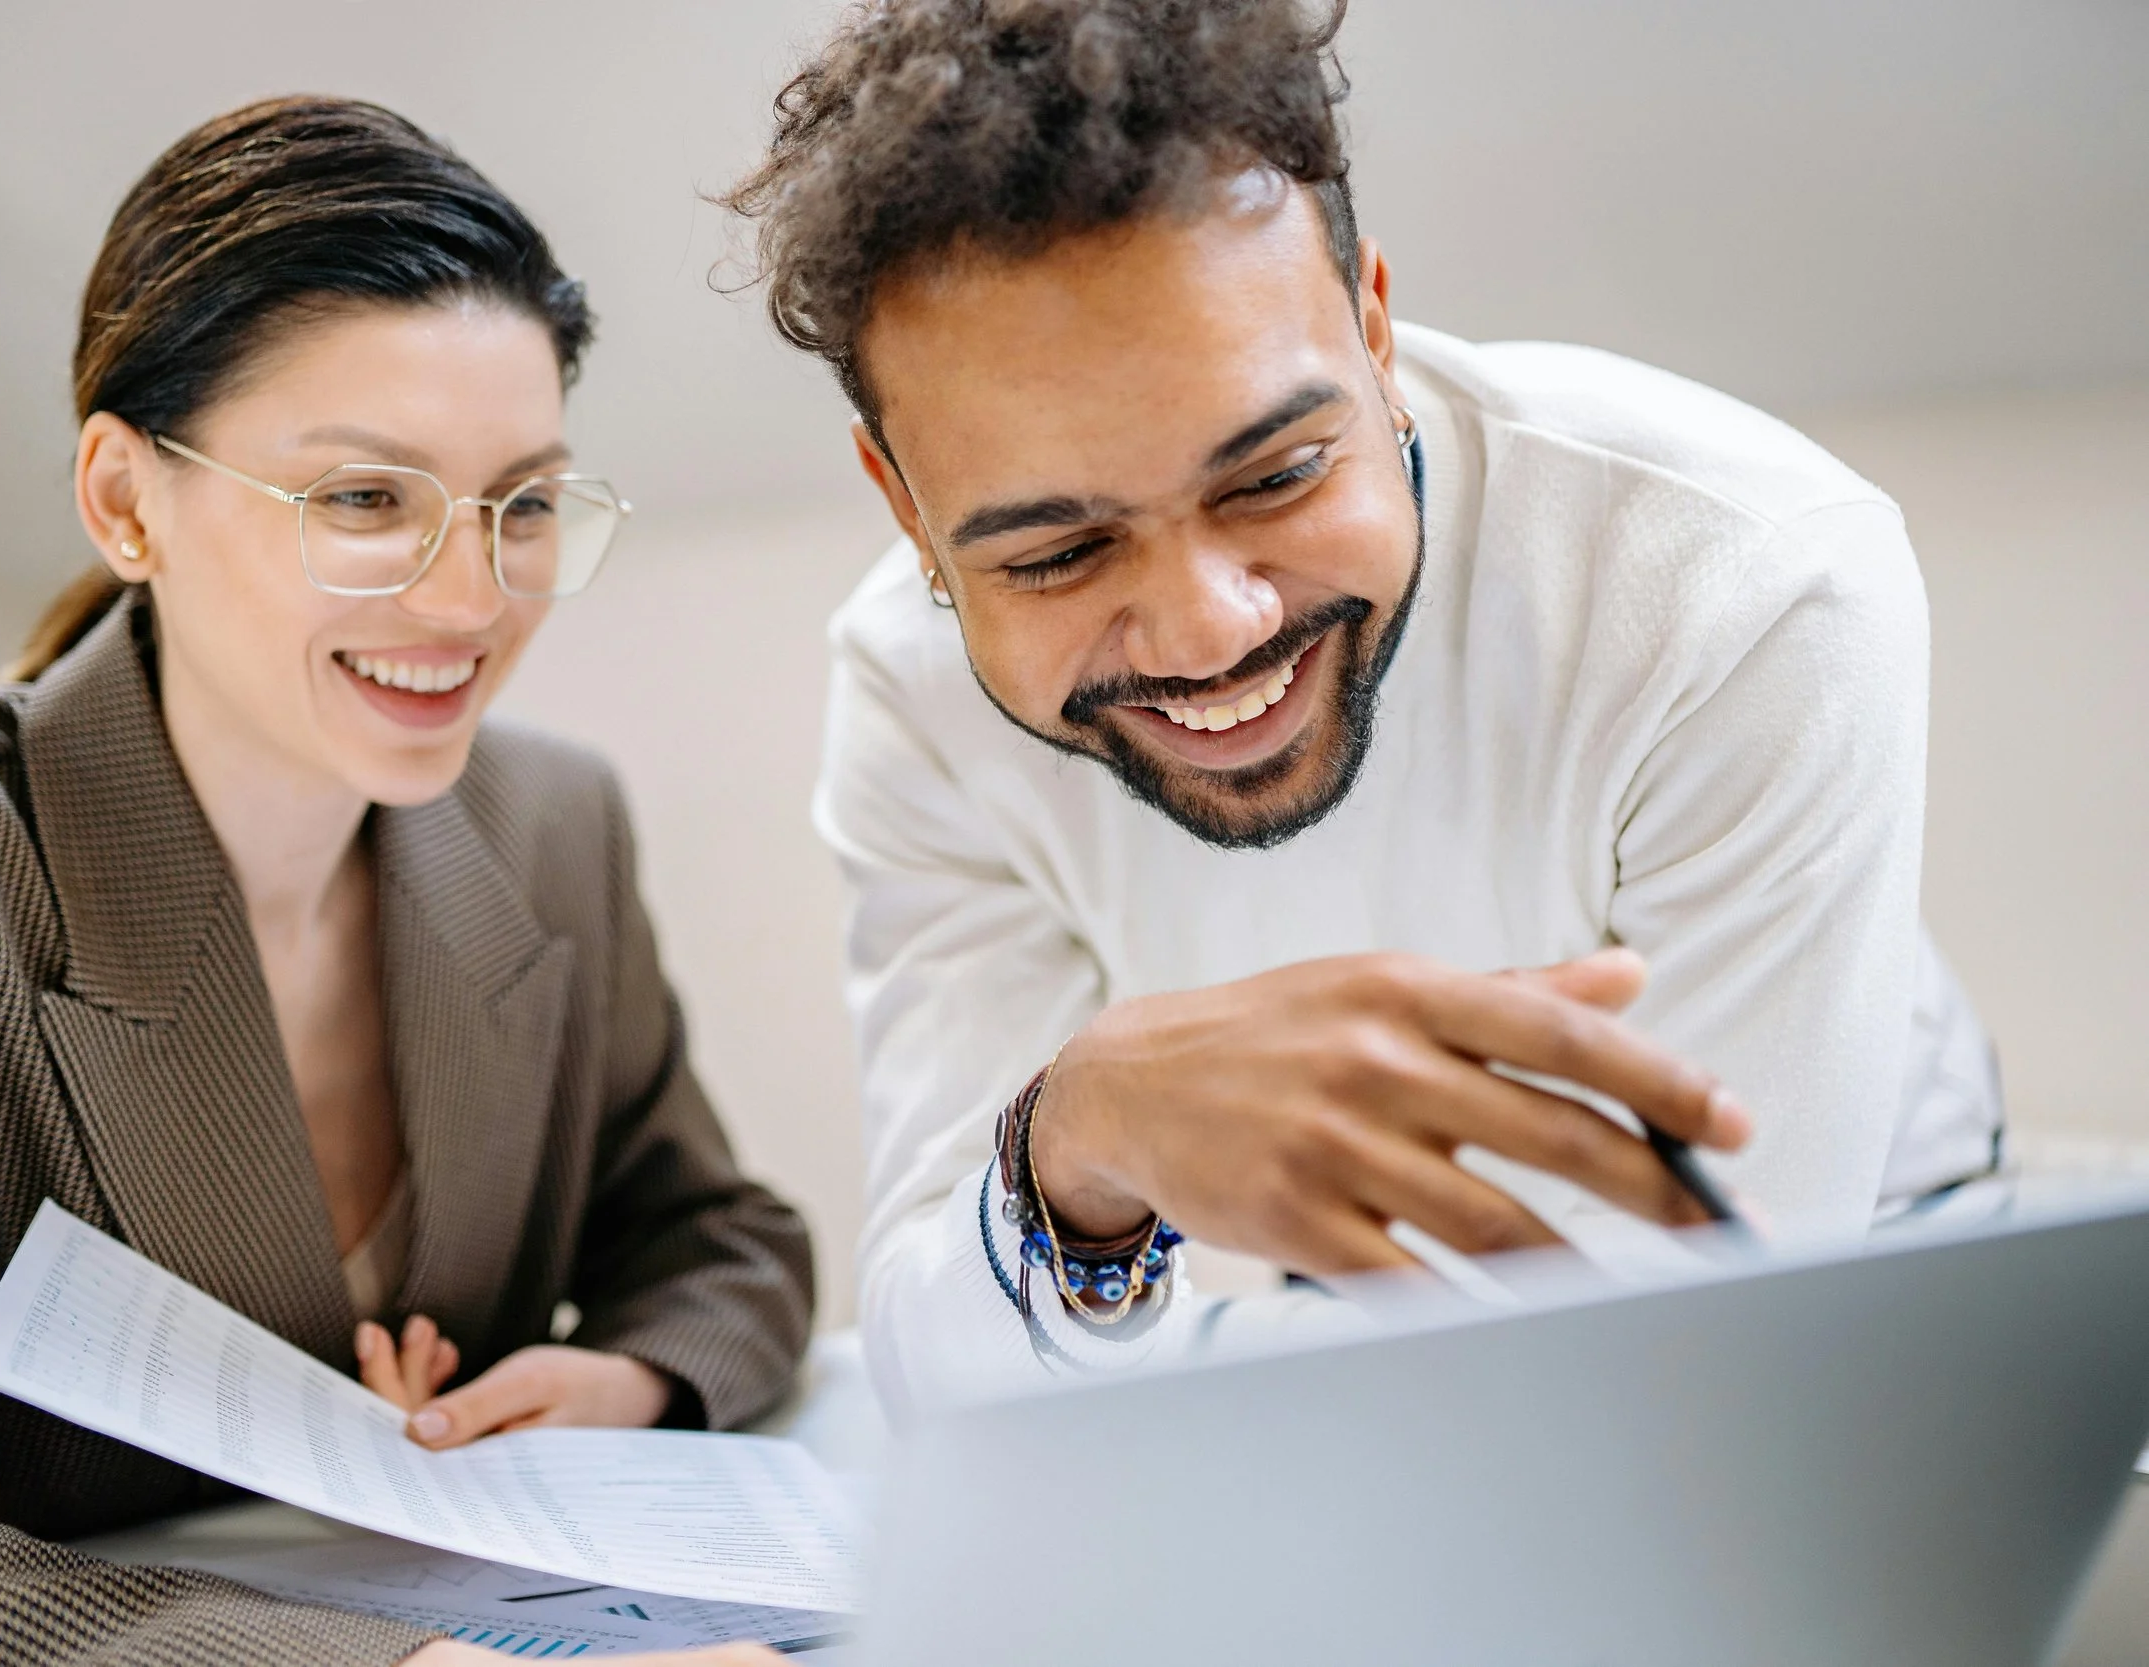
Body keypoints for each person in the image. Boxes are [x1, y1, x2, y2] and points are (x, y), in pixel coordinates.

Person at [720, 0, 2003, 1417]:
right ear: (903, 506)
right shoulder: (908, 689)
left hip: (1869, 1283)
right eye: (1058, 554)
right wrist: (1073, 1140)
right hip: (1343, 1350)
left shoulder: (1746, 578)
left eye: (1275, 476)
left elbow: (1712, 1348)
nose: (1216, 628)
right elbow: (938, 1362)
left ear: (1376, 330)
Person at [0, 97, 803, 1665]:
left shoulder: (551, 825)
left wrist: (629, 1381)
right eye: (363, 499)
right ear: (127, 500)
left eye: (523, 505)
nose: (470, 597)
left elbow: (721, 1237)